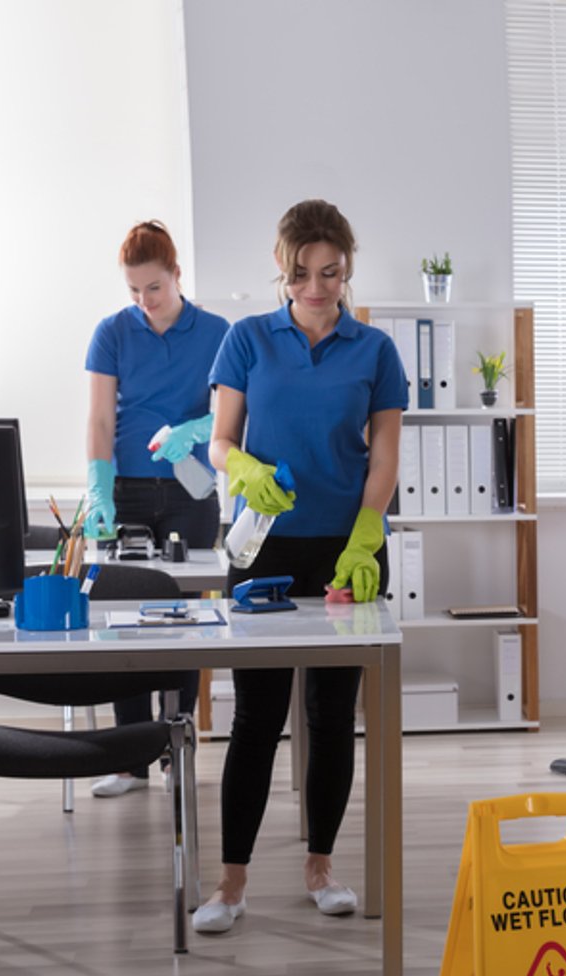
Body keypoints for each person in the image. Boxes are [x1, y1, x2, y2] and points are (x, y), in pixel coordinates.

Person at [193, 199, 406, 934]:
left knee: (329, 713)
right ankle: (229, 883)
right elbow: (220, 442)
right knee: (255, 715)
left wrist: (367, 532)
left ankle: (321, 866)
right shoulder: (246, 340)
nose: (317, 289)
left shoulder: (374, 350)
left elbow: (382, 453)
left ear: (348, 269)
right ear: (280, 271)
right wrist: (242, 466)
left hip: (345, 548)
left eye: (332, 273)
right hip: (265, 545)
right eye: (302, 274)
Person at [82, 220, 230, 798]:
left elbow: (229, 413)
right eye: (134, 291)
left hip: (191, 489)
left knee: (188, 623)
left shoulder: (217, 331)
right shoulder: (112, 332)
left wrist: (192, 429)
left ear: (177, 275)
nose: (145, 301)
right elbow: (98, 417)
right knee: (125, 623)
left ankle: (176, 750)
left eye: (154, 288)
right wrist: (98, 487)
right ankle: (130, 759)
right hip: (129, 491)